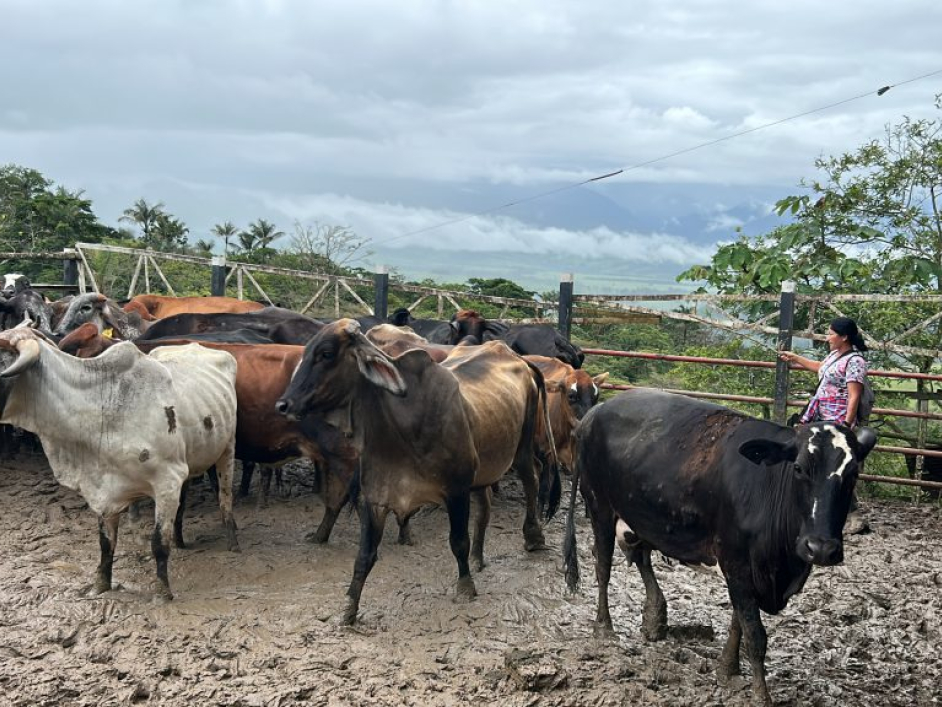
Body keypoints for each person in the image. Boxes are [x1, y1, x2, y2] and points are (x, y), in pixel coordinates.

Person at [779, 316, 870, 533]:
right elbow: (821, 368)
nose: (827, 337)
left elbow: (854, 394)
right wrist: (795, 358)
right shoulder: (835, 355)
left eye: (831, 333)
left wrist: (846, 425)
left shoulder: (855, 361)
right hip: (821, 416)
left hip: (836, 421)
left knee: (833, 466)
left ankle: (851, 512)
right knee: (821, 463)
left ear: (844, 337)